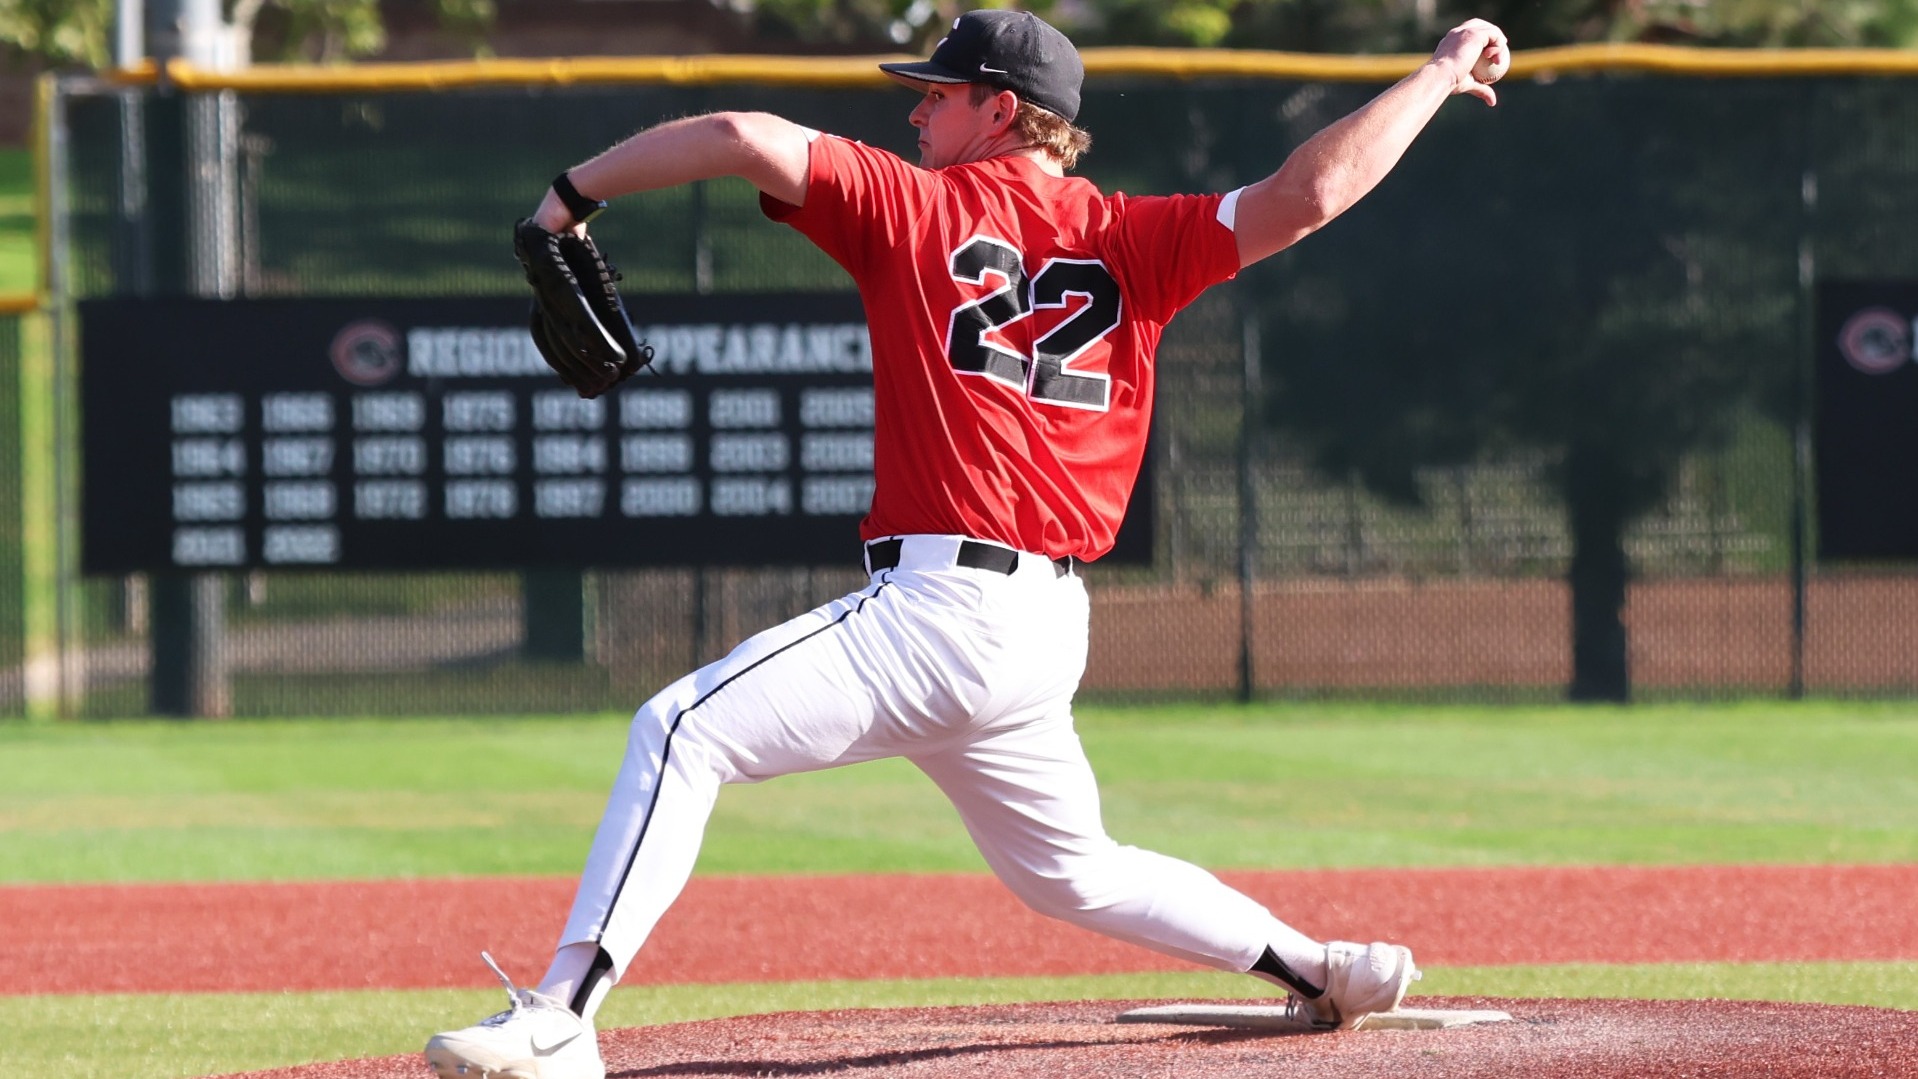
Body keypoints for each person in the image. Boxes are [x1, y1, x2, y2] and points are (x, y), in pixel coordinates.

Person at [425, 10, 1509, 1079]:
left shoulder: (914, 205)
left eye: (938, 95)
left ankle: (562, 1016)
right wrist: (1438, 69)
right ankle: (1324, 968)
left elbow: (735, 136)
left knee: (676, 731)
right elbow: (1311, 193)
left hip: (942, 609)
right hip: (1042, 625)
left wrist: (565, 201)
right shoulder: (1135, 237)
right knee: (1071, 871)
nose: (918, 111)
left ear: (1005, 110)